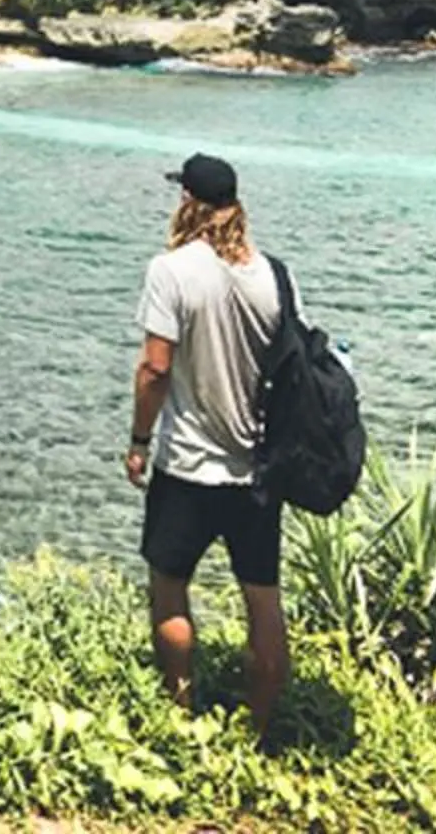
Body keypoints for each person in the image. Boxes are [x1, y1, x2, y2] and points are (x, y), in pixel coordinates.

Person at [124, 151, 288, 738]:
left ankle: (179, 717)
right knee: (263, 602)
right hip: (256, 472)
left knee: (169, 591)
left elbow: (155, 370)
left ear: (188, 202)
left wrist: (139, 441)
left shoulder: (170, 271)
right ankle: (260, 732)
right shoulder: (273, 275)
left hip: (189, 467)